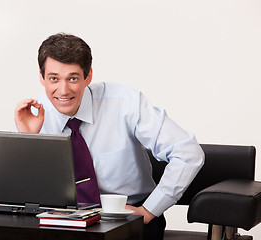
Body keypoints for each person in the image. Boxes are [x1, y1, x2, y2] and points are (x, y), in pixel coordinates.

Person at [14, 33, 205, 240]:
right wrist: (28, 140)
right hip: (64, 221)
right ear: (41, 78)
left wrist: (149, 210)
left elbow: (188, 153)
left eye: (73, 78)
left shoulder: (125, 103)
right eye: (54, 78)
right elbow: (21, 197)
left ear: (88, 77)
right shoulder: (33, 116)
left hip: (126, 219)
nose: (63, 90)